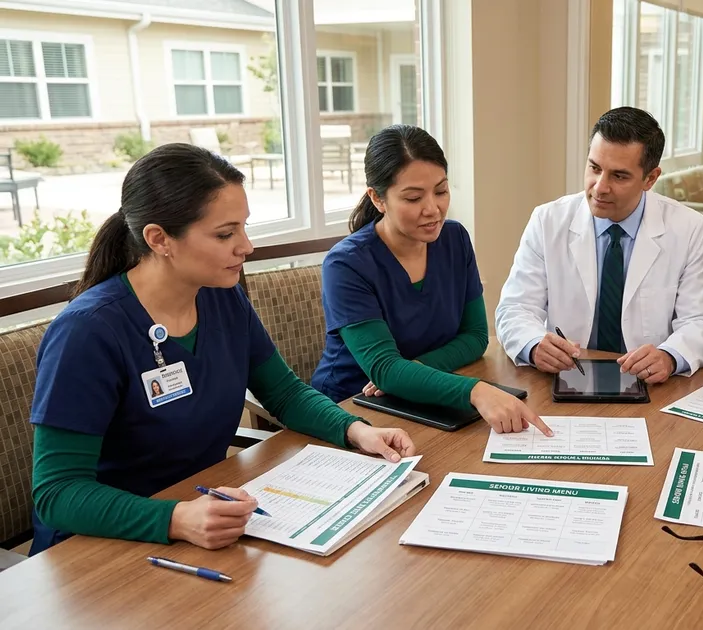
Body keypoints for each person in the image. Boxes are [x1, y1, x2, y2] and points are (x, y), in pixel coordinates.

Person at [29, 144, 416, 555]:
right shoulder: (88, 332)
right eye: (225, 234)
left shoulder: (220, 297)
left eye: (244, 228)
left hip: (204, 520)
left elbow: (284, 393)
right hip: (101, 552)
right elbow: (57, 493)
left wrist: (357, 431)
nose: (246, 246)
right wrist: (176, 519)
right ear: (159, 239)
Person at [312, 125, 551, 436]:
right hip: (351, 409)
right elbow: (384, 369)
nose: (433, 209)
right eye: (413, 198)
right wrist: (476, 391)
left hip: (419, 395)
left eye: (441, 191)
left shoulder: (455, 239)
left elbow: (476, 336)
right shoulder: (346, 265)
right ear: (378, 198)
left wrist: (414, 371)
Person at [496, 107, 703, 383]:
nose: (599, 187)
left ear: (650, 178)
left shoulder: (688, 228)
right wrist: (533, 344)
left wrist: (670, 355)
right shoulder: (547, 221)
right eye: (594, 168)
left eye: (619, 176)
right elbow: (514, 309)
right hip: (567, 379)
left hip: (651, 387)